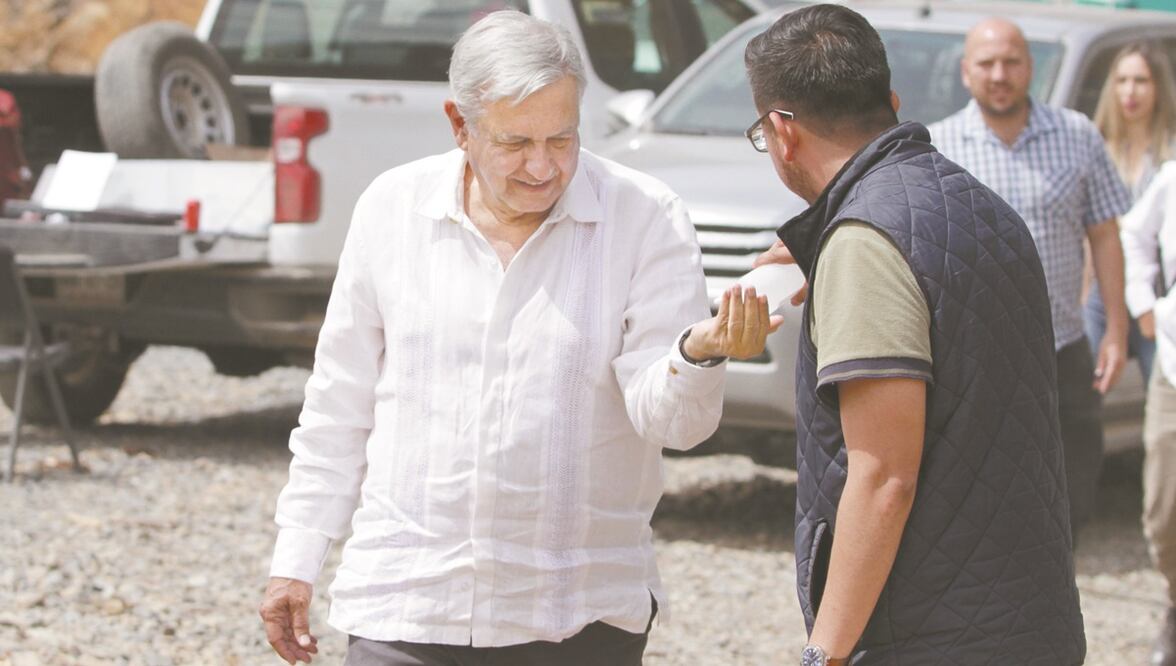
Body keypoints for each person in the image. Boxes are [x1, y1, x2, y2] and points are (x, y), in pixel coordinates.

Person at [257, 11, 780, 666]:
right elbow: (339, 407)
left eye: (562, 140)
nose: (542, 166)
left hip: (577, 612)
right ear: (458, 125)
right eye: (515, 143)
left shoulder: (644, 217)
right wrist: (296, 560)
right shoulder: (390, 209)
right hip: (410, 601)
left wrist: (695, 356)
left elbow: (674, 426)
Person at [745, 5, 1083, 663]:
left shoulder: (868, 241)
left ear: (783, 133)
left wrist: (823, 653)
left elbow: (884, 477)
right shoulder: (982, 209)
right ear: (892, 103)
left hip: (930, 637)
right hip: (1030, 619)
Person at [928, 18, 1133, 538]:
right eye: (987, 63)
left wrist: (1114, 331)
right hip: (974, 351)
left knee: (1072, 482)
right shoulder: (938, 146)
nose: (1000, 74)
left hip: (1061, 346)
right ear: (966, 72)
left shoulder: (1077, 135)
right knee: (979, 487)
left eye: (1011, 62)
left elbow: (1105, 235)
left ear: (1030, 68)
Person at [1085, 41, 1176, 386]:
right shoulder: (1097, 145)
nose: (1130, 91)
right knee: (1087, 383)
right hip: (1103, 288)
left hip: (1157, 291)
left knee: (1164, 385)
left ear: (1158, 87)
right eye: (1122, 80)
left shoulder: (1170, 153)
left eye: (1141, 80)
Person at [1120, 159, 1176, 665]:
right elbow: (1132, 233)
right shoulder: (1172, 177)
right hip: (1175, 369)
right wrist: (1144, 302)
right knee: (1164, 511)